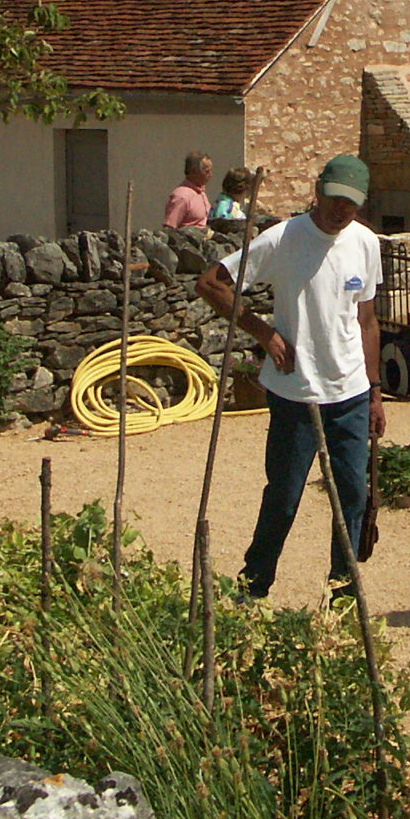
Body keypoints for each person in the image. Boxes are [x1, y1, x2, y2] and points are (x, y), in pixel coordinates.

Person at [197, 154, 385, 599]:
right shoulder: (282, 238)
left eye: (351, 204)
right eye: (335, 199)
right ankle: (254, 586)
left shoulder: (365, 243)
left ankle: (343, 594)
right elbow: (210, 284)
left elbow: (367, 321)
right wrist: (264, 333)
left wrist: (376, 393)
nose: (341, 210)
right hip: (295, 394)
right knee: (283, 498)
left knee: (353, 497)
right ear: (317, 192)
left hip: (351, 394)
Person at [164, 151, 212, 229]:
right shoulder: (181, 197)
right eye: (207, 172)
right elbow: (169, 228)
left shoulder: (201, 192)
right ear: (194, 172)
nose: (211, 175)